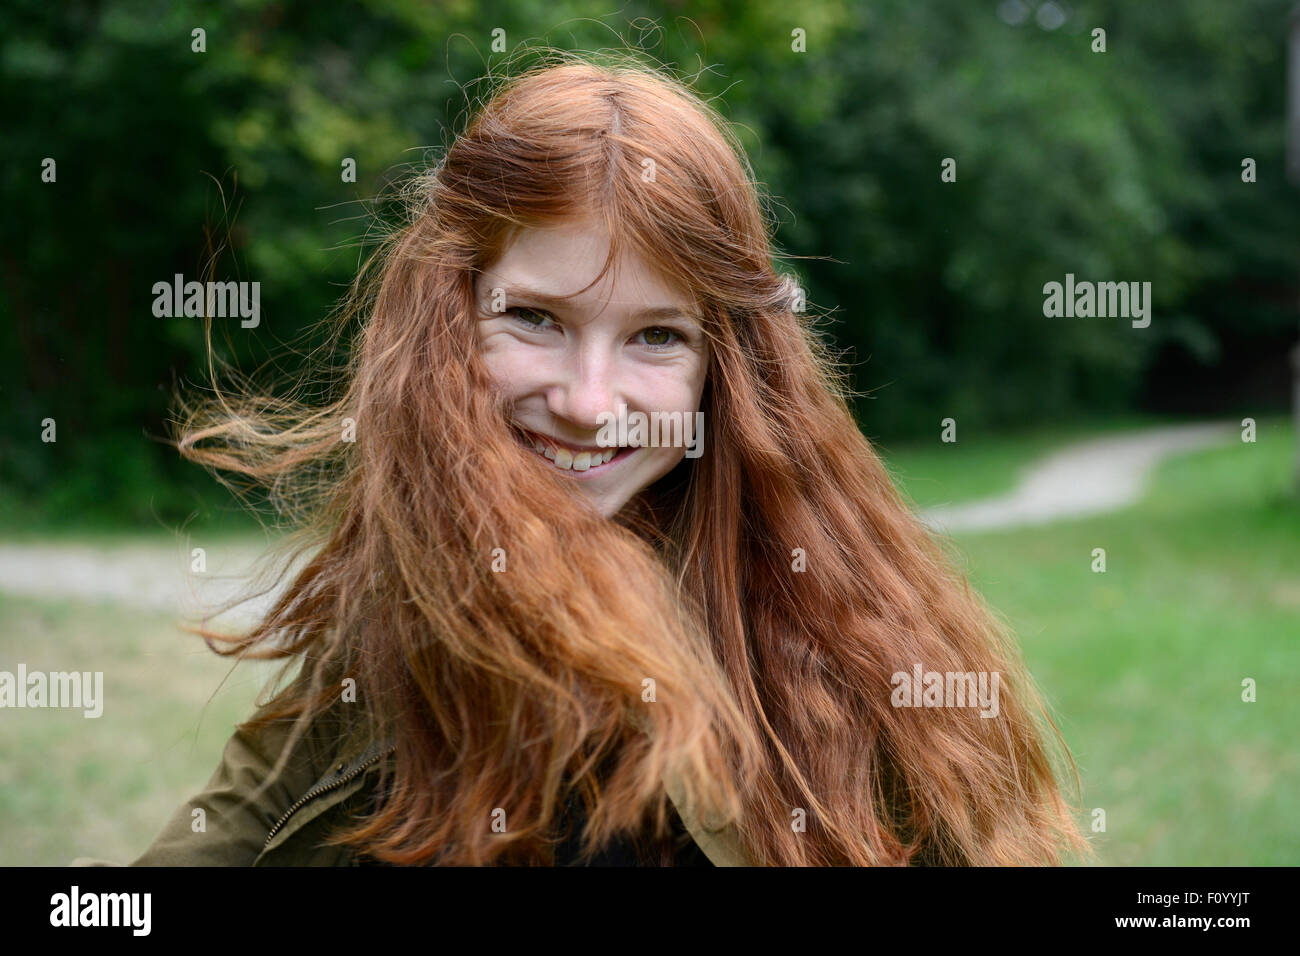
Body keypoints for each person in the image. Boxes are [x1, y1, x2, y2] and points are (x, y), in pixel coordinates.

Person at [77, 52, 1091, 867]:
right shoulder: (402, 602)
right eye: (535, 319)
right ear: (448, 317)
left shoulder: (838, 625)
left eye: (656, 336)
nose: (589, 399)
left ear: (722, 366)